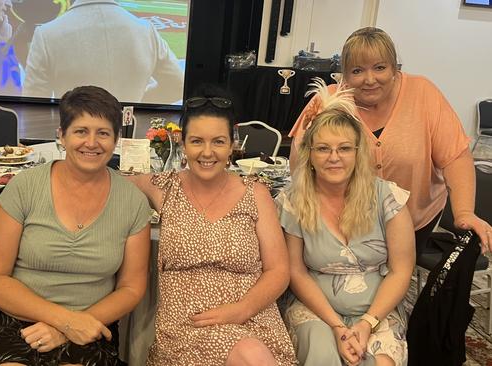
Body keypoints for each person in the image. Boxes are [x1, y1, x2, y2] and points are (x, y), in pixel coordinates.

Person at [0, 85, 152, 366]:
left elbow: (131, 287)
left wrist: (71, 328)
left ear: (116, 139)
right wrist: (63, 321)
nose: (92, 143)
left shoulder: (132, 202)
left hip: (89, 323)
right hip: (11, 319)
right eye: (81, 131)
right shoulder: (25, 187)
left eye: (103, 133)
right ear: (61, 135)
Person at [288, 27, 492, 257]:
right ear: (344, 75)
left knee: (395, 277)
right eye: (357, 70)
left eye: (380, 67)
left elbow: (456, 156)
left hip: (414, 217)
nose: (369, 79)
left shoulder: (423, 93)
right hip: (345, 221)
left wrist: (464, 212)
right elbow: (300, 161)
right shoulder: (330, 100)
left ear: (395, 68)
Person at [129, 88, 297, 365]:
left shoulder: (255, 193)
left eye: (218, 141)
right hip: (190, 324)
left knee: (253, 352)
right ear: (182, 143)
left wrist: (242, 310)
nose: (207, 153)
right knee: (252, 356)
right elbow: (108, 180)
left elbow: (278, 270)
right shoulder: (164, 188)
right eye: (197, 141)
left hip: (252, 316)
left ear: (233, 143)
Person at [277, 81, 415, 366]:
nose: (334, 158)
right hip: (315, 308)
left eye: (344, 148)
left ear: (357, 153)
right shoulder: (294, 201)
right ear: (310, 155)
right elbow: (296, 272)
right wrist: (338, 327)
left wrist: (366, 323)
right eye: (323, 149)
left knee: (377, 363)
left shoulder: (388, 197)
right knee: (321, 355)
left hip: (378, 310)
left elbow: (402, 271)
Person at [23, 0, 184, 104]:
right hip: (130, 140)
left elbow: (33, 104)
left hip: (74, 144)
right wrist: (136, 103)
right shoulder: (146, 31)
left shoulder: (47, 34)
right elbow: (177, 85)